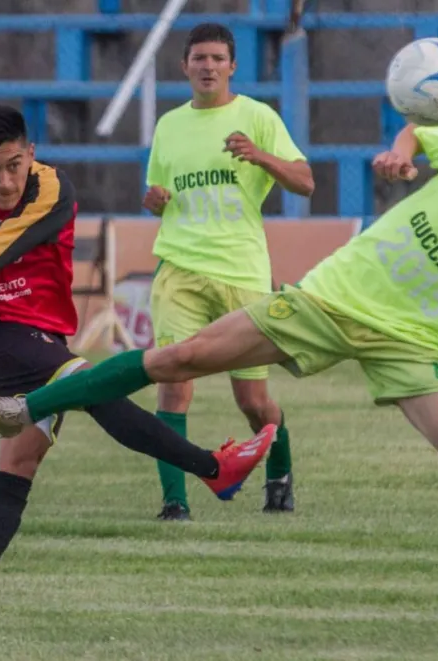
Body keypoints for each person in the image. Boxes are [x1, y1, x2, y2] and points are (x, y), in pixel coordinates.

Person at [0, 120, 438, 643]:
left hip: (414, 345)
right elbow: (422, 129)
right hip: (330, 299)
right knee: (178, 358)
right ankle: (24, 405)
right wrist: (400, 155)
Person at [0, 104, 275, 606]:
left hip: (41, 336)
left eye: (14, 165)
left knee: (17, 467)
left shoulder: (51, 190)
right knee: (98, 389)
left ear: (30, 154)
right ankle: (213, 469)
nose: (5, 182)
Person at [141, 23, 314, 520]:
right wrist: (153, 201)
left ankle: (278, 478)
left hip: (241, 270)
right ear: (185, 66)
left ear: (232, 66)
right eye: (199, 58)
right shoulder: (169, 125)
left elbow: (305, 182)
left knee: (253, 398)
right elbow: (158, 193)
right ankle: (174, 501)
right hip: (180, 266)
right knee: (173, 381)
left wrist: (259, 155)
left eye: (218, 58)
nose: (208, 66)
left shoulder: (257, 117)